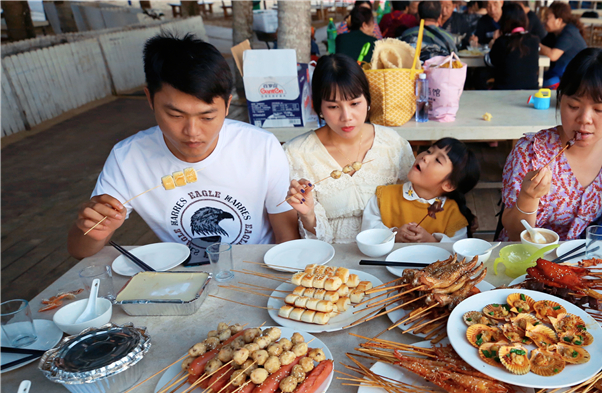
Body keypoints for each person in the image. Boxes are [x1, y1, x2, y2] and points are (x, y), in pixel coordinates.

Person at [67, 34, 298, 259]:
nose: (192, 132)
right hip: (186, 275)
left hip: (257, 266)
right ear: (150, 99)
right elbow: (80, 251)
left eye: (207, 117)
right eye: (175, 115)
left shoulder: (261, 147)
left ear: (227, 106)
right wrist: (94, 228)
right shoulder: (128, 158)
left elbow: (287, 237)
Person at [499, 48, 602, 241]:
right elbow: (513, 234)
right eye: (573, 106)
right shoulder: (531, 152)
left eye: (599, 109)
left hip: (590, 264)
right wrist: (528, 198)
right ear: (560, 98)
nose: (584, 119)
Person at [283, 55, 414, 244]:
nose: (346, 117)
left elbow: (414, 201)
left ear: (368, 101)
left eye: (354, 104)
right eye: (333, 106)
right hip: (328, 260)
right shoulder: (297, 154)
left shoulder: (393, 145)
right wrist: (309, 214)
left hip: (389, 252)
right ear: (319, 107)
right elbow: (308, 236)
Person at [362, 138, 480, 242]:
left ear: (448, 185)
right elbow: (367, 231)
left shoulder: (453, 214)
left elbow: (458, 250)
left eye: (438, 160)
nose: (426, 157)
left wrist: (432, 240)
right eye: (429, 151)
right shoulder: (384, 196)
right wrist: (394, 234)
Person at [485, 2, 540, 90]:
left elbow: (489, 62)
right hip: (531, 91)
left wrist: (493, 44)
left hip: (504, 91)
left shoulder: (501, 41)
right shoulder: (534, 40)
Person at [540, 2, 588, 88]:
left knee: (544, 83)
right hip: (560, 73)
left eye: (547, 18)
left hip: (574, 79)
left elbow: (553, 55)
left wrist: (536, 44)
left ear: (559, 20)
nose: (545, 21)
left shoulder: (569, 32)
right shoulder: (553, 34)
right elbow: (543, 48)